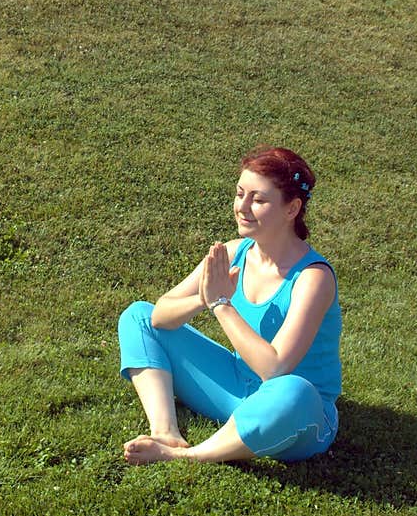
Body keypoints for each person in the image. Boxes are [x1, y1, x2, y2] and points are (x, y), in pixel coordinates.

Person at [116, 145, 342, 465]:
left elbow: (275, 369)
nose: (242, 207)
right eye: (240, 194)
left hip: (299, 413)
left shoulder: (313, 278)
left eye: (259, 200)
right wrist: (204, 298)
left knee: (294, 391)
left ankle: (188, 457)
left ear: (292, 209)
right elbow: (160, 316)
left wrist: (222, 304)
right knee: (138, 316)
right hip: (237, 387)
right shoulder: (236, 252)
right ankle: (166, 432)